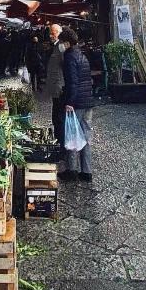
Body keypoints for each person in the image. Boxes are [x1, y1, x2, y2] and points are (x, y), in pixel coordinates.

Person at [61, 27, 94, 182]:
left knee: (72, 134)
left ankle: (72, 170)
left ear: (67, 42)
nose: (61, 45)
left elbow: (73, 83)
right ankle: (86, 172)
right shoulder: (82, 55)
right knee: (85, 136)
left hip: (77, 102)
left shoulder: (69, 57)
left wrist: (69, 102)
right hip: (88, 101)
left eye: (62, 42)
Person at [45, 23, 66, 149]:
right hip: (56, 87)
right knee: (56, 116)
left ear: (59, 33)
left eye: (53, 33)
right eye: (50, 33)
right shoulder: (55, 46)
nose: (51, 35)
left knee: (59, 117)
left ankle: (62, 144)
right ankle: (59, 142)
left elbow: (64, 67)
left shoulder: (61, 47)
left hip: (59, 87)